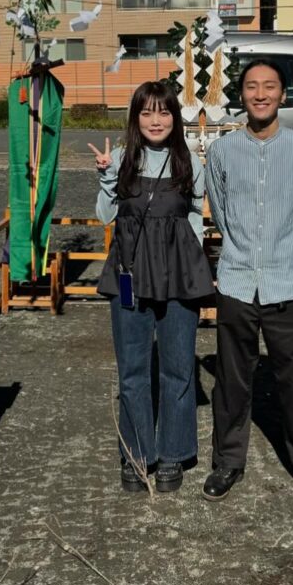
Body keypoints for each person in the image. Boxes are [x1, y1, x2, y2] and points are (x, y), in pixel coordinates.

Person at [202, 58, 293, 505]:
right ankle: (228, 462)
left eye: (270, 87)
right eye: (252, 87)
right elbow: (219, 212)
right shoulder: (222, 152)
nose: (260, 94)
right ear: (241, 95)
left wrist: (292, 250)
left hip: (289, 280)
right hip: (238, 280)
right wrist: (242, 249)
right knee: (232, 379)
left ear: (283, 95)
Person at [92, 81, 213, 493]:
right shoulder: (123, 159)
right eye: (146, 112)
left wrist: (193, 256)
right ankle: (136, 452)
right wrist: (107, 177)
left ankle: (174, 454)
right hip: (129, 273)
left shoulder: (189, 163)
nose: (155, 120)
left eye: (163, 112)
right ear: (135, 117)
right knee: (132, 371)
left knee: (178, 368)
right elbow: (105, 216)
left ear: (174, 118)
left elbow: (196, 213)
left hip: (179, 273)